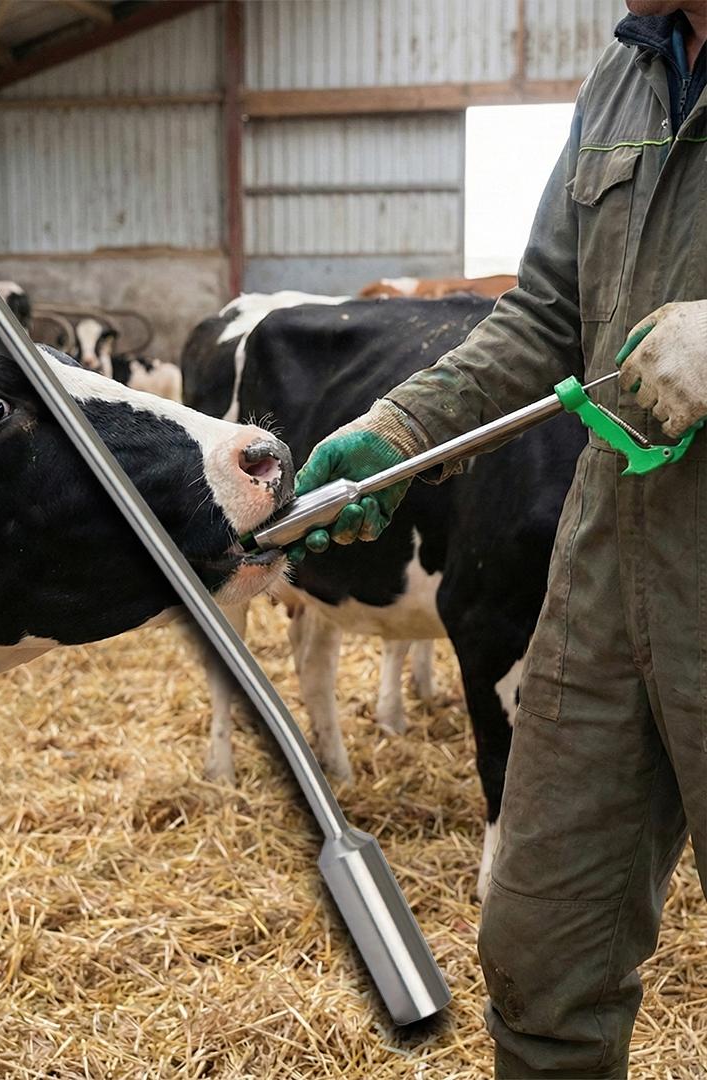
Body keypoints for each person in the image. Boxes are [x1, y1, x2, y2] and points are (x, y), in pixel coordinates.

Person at [291, 4, 707, 1077]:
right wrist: (399, 430)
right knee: (539, 947)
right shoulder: (625, 81)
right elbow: (546, 312)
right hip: (607, 576)